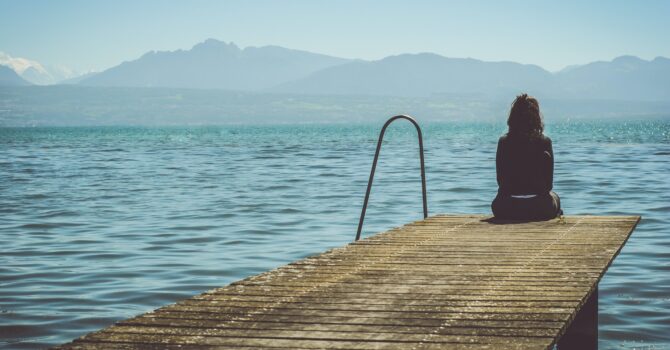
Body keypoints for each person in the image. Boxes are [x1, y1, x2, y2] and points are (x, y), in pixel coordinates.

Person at [491, 93, 562, 221]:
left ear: (512, 117)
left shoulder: (504, 142)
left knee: (496, 202)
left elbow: (500, 181)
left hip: (507, 207)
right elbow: (549, 185)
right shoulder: (545, 142)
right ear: (537, 118)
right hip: (540, 207)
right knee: (555, 197)